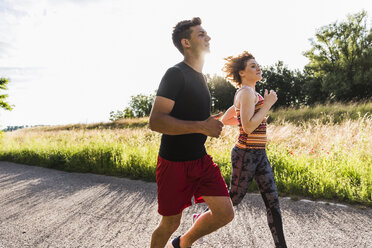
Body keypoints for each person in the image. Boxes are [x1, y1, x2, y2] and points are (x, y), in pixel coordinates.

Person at [149, 17, 234, 248]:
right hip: (173, 163)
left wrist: (214, 121)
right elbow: (156, 121)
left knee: (225, 213)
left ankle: (183, 243)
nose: (208, 37)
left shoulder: (201, 76)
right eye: (201, 34)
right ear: (186, 43)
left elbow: (194, 117)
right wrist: (200, 126)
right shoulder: (175, 73)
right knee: (169, 223)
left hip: (200, 159)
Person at [219, 51, 287, 247]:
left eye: (258, 65)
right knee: (234, 199)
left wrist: (249, 113)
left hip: (259, 153)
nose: (258, 68)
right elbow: (248, 128)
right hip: (246, 154)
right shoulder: (246, 92)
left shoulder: (251, 93)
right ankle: (200, 220)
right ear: (242, 72)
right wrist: (267, 106)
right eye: (252, 66)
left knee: (272, 202)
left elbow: (228, 118)